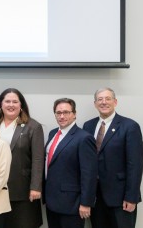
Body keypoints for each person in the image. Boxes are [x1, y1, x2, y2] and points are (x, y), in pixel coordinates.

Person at [83, 88, 143, 228]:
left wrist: (131, 197)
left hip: (121, 198)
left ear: (115, 102)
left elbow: (135, 165)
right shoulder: (88, 126)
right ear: (95, 104)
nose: (104, 102)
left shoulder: (130, 126)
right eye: (100, 99)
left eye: (108, 98)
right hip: (95, 198)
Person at [43, 98, 97, 228]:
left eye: (66, 112)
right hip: (52, 201)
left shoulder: (84, 138)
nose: (62, 116)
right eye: (58, 112)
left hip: (72, 204)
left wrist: (86, 203)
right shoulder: (52, 133)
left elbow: (89, 174)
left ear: (74, 114)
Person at [0, 88, 44, 227]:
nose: (11, 105)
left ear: (21, 105)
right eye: (7, 101)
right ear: (1, 105)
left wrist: (35, 187)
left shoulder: (33, 126)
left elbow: (38, 159)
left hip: (23, 190)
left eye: (15, 101)